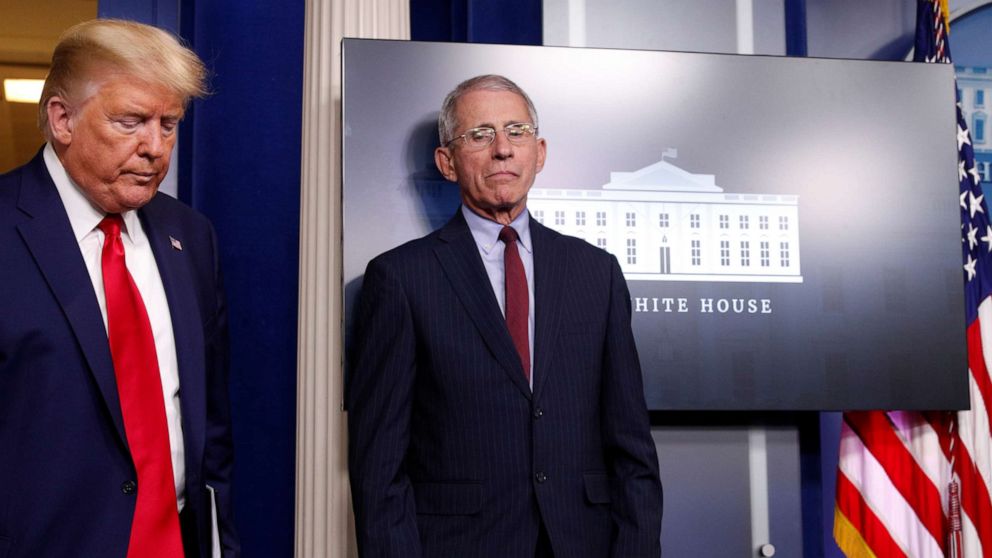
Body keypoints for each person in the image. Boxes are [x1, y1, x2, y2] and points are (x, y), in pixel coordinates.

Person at [347, 74, 663, 557]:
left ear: (539, 152)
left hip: (583, 543)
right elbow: (379, 467)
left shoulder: (596, 273)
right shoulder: (400, 278)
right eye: (480, 135)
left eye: (516, 132)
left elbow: (632, 449)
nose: (502, 149)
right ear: (446, 163)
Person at [0, 19, 238, 557]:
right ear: (62, 119)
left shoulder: (190, 236)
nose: (155, 147)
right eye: (130, 121)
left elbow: (211, 427)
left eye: (169, 123)